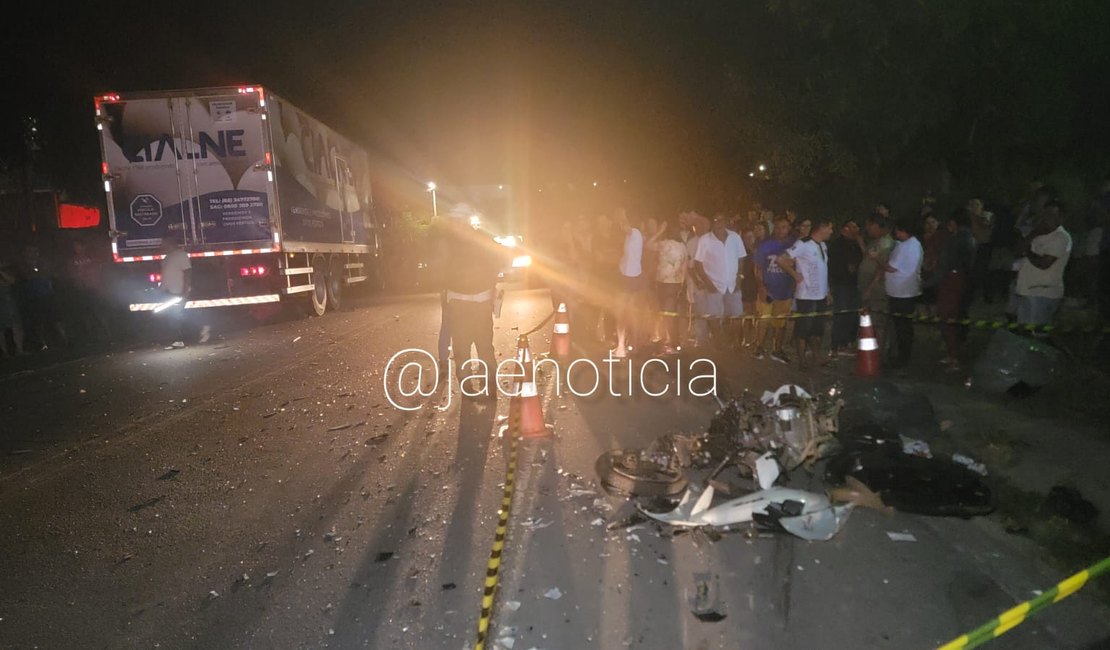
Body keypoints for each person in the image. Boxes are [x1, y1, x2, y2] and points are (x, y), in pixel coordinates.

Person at [443, 215, 505, 398]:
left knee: (465, 347)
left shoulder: (450, 244)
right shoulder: (480, 239)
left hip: (463, 302)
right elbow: (498, 259)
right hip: (477, 301)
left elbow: (439, 270)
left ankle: (470, 387)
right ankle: (487, 385)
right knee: (483, 345)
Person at [926, 210, 975, 371]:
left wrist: (927, 283)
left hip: (950, 283)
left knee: (948, 320)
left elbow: (945, 266)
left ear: (953, 223)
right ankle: (952, 355)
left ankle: (954, 359)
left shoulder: (956, 240)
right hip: (961, 281)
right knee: (953, 319)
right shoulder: (970, 238)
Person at [779, 219, 832, 368]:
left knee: (817, 329)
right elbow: (781, 259)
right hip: (806, 295)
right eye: (830, 228)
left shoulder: (823, 245)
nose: (831, 231)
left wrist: (827, 291)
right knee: (802, 329)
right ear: (822, 228)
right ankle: (801, 361)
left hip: (820, 294)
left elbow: (823, 269)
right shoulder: (803, 244)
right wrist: (794, 274)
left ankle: (817, 357)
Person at [1014, 200, 1071, 331]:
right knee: (1024, 334)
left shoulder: (1061, 237)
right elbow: (1017, 251)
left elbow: (1044, 263)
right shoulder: (1038, 233)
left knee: (1037, 337)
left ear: (1061, 217)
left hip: (1043, 293)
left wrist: (1027, 251)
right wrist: (1033, 234)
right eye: (1045, 213)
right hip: (1027, 290)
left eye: (1051, 214)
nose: (1046, 218)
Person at [691, 215, 747, 348]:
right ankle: (718, 341)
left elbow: (741, 258)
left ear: (726, 222)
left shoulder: (735, 237)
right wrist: (708, 283)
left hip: (733, 284)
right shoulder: (705, 240)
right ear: (712, 223)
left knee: (737, 315)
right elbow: (697, 263)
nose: (719, 223)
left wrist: (739, 277)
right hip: (714, 284)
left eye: (722, 220)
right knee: (714, 316)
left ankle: (734, 343)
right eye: (716, 220)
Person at [752, 217, 795, 363]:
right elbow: (757, 267)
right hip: (768, 289)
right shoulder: (766, 245)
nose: (783, 230)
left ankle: (777, 349)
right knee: (763, 320)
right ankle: (759, 346)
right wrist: (761, 287)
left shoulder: (793, 245)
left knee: (781, 322)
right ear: (774, 228)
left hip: (785, 290)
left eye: (786, 227)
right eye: (780, 226)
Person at [882, 220, 924, 369]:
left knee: (902, 327)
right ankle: (902, 356)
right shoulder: (914, 244)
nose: (896, 234)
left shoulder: (906, 247)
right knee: (903, 326)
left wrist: (877, 260)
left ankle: (902, 358)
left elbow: (892, 267)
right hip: (906, 290)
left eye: (898, 231)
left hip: (901, 292)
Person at [857, 213, 895, 358]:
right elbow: (868, 256)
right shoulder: (875, 241)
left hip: (877, 289)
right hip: (867, 287)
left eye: (869, 226)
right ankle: (870, 350)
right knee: (870, 319)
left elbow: (882, 268)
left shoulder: (886, 244)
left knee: (879, 321)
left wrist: (870, 288)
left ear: (877, 226)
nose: (867, 229)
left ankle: (879, 353)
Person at [18, 245, 68, 351]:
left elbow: (48, 274)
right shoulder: (23, 265)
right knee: (38, 322)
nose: (32, 254)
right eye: (29, 251)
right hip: (33, 298)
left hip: (47, 296)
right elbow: (25, 277)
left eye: (34, 251)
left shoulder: (43, 263)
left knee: (54, 320)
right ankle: (43, 343)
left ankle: (63, 340)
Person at [65, 240, 112, 345]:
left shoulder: (91, 259)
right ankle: (91, 336)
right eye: (75, 246)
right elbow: (71, 274)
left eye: (78, 245)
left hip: (93, 289)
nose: (76, 248)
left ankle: (107, 334)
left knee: (98, 312)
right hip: (81, 290)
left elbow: (98, 271)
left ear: (84, 247)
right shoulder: (72, 261)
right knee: (86, 314)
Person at [828, 219, 863, 357]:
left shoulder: (855, 244)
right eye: (853, 227)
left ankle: (847, 343)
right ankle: (836, 345)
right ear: (845, 229)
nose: (856, 230)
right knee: (841, 315)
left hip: (853, 284)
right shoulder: (837, 245)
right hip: (841, 284)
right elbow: (833, 266)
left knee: (852, 315)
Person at [613, 208, 644, 358]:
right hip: (628, 275)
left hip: (631, 278)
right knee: (625, 313)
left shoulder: (635, 233)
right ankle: (623, 345)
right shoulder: (631, 236)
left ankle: (629, 345)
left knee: (626, 313)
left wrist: (622, 215)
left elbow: (624, 227)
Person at [654, 220, 688, 354]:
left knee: (669, 314)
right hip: (662, 283)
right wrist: (660, 232)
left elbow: (685, 267)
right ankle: (669, 341)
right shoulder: (664, 244)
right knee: (665, 314)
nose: (675, 232)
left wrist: (682, 284)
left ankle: (674, 343)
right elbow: (649, 245)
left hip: (672, 284)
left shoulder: (681, 247)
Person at [160, 236, 194, 350]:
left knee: (175, 316)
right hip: (168, 292)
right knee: (171, 317)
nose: (161, 245)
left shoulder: (181, 255)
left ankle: (178, 340)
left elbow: (188, 274)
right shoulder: (167, 257)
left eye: (164, 242)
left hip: (177, 292)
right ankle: (175, 339)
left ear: (171, 243)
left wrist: (185, 291)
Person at [919, 212, 948, 318]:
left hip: (937, 273)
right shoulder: (920, 239)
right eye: (927, 223)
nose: (930, 225)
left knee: (934, 299)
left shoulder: (943, 238)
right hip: (923, 273)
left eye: (933, 222)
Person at [968, 198, 995, 304]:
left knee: (985, 271)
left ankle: (988, 296)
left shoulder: (987, 215)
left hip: (984, 246)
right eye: (972, 204)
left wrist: (973, 215)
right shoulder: (969, 217)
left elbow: (985, 224)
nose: (974, 206)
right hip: (972, 246)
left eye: (977, 204)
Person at [0, 258, 26, 356]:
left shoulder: (6, 271)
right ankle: (5, 352)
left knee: (16, 326)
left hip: (9, 304)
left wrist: (1, 271)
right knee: (1, 329)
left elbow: (12, 280)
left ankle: (19, 349)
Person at [738, 228, 759, 346]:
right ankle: (744, 339)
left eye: (751, 237)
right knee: (746, 313)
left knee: (755, 313)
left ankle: (755, 339)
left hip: (756, 285)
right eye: (747, 238)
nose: (750, 240)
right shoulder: (742, 254)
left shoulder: (757, 252)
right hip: (745, 285)